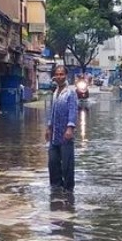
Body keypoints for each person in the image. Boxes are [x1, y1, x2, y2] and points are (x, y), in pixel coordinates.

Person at [46, 64, 78, 192]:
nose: (59, 77)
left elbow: (73, 110)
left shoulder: (70, 93)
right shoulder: (55, 92)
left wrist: (70, 128)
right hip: (54, 134)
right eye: (57, 74)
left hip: (66, 134)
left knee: (67, 165)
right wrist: (49, 127)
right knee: (52, 163)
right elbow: (52, 111)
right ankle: (55, 190)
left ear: (66, 76)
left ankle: (69, 191)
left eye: (61, 74)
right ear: (54, 76)